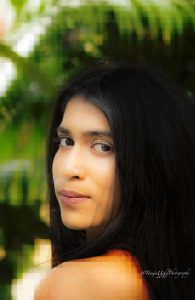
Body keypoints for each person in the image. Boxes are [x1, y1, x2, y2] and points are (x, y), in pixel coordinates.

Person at [34, 61, 195, 299]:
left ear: (153, 163)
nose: (69, 168)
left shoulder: (78, 284)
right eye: (66, 141)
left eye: (102, 146)